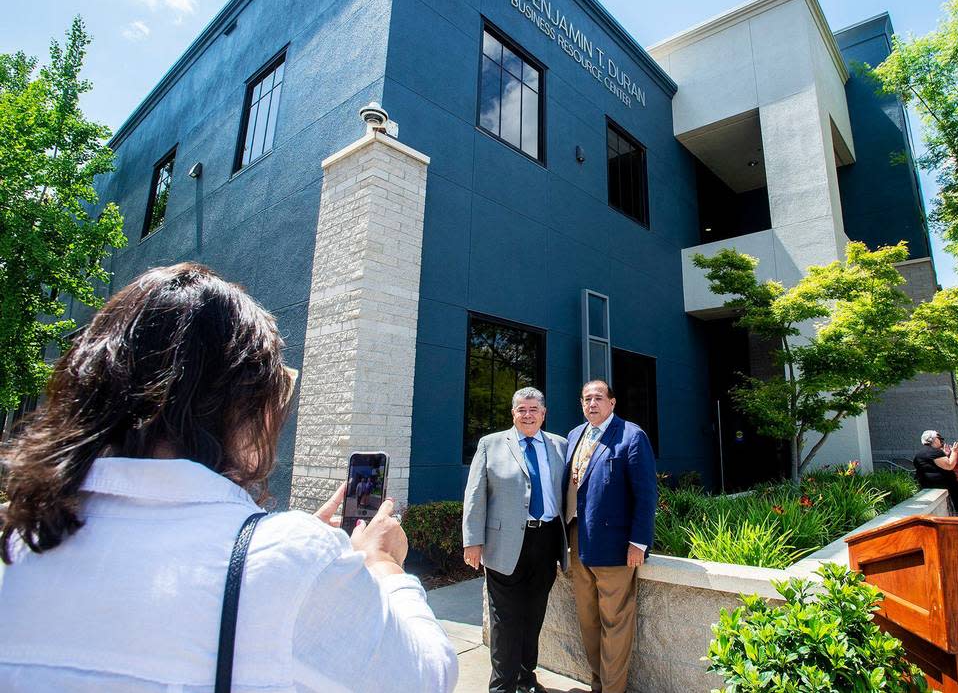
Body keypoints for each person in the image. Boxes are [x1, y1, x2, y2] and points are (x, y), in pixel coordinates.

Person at [0, 263, 457, 692]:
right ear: (239, 402)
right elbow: (427, 675)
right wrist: (382, 564)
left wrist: (269, 544)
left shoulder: (22, 543)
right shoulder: (294, 561)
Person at [462, 387, 568, 693]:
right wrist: (472, 541)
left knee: (533, 616)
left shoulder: (559, 446)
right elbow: (475, 495)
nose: (528, 414)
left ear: (544, 414)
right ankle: (502, 686)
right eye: (522, 409)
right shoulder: (490, 444)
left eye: (534, 409)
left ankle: (525, 680)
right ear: (513, 413)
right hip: (503, 545)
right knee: (505, 620)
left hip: (546, 541)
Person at [561, 380, 657, 693]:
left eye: (598, 398)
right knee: (588, 620)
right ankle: (598, 683)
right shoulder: (575, 435)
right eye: (586, 398)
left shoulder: (631, 436)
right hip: (577, 541)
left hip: (616, 547)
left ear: (612, 403)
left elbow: (645, 495)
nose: (592, 404)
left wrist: (638, 542)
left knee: (615, 623)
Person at [914, 430, 958, 516]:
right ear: (934, 439)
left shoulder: (920, 453)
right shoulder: (935, 452)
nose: (941, 441)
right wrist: (954, 451)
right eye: (939, 438)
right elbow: (949, 465)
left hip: (929, 487)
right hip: (940, 488)